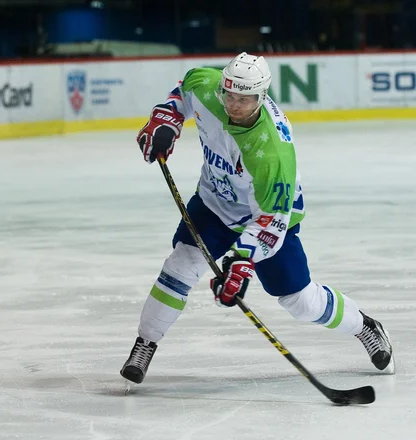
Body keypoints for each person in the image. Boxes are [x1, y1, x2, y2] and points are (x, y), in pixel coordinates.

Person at [120, 52, 394, 384]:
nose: (234, 104)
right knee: (181, 264)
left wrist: (242, 260)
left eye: (246, 99)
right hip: (215, 204)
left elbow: (271, 220)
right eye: (230, 95)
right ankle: (145, 342)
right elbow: (184, 91)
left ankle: (364, 325)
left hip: (267, 218)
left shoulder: (273, 151)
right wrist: (167, 117)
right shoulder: (209, 87)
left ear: (262, 97)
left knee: (301, 302)